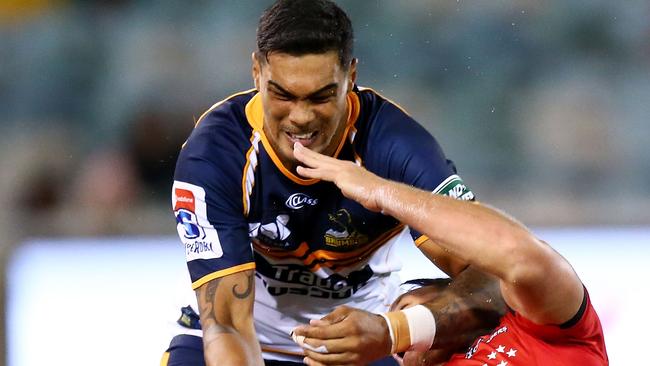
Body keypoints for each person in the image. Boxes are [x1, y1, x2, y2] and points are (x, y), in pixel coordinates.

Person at [164, 1, 505, 365]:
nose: (301, 118)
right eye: (282, 94)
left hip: (360, 343)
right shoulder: (216, 152)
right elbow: (229, 324)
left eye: (321, 96)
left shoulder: (396, 146)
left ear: (351, 78)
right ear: (256, 73)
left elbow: (499, 277)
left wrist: (396, 331)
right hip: (244, 337)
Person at [290, 142, 609, 365]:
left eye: (403, 306)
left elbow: (518, 256)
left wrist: (381, 192)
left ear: (450, 288)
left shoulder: (544, 325)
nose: (398, 353)